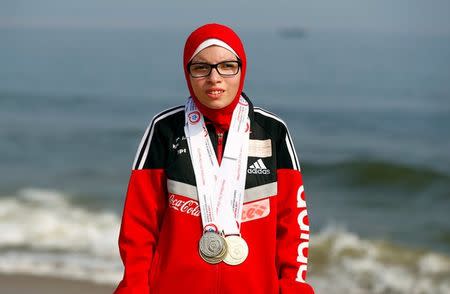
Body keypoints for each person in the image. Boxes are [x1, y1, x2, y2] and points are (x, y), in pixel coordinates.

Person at [114, 23, 314, 294]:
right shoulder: (165, 129)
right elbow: (139, 226)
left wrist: (294, 289)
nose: (214, 77)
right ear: (188, 72)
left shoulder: (273, 131)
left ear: (242, 69)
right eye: (201, 67)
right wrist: (133, 289)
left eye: (227, 66)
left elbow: (293, 226)